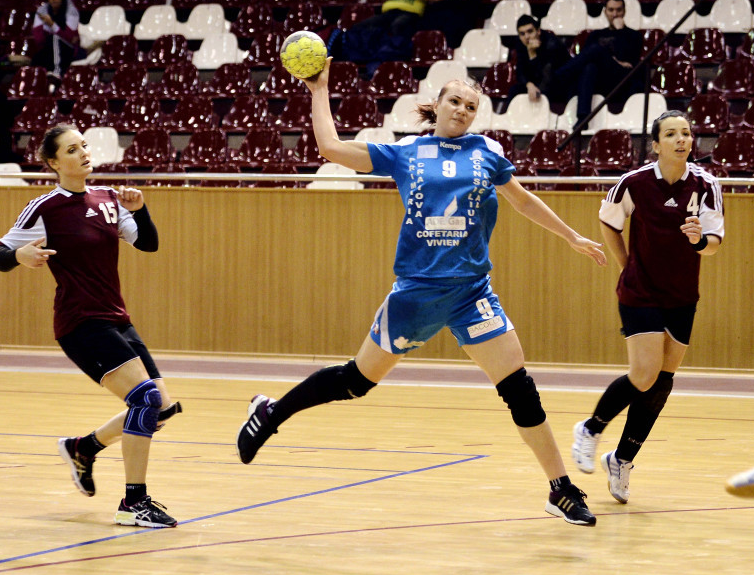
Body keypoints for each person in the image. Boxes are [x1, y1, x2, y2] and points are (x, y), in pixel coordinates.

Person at [236, 58, 608, 527]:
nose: (462, 110)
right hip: (415, 295)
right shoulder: (405, 153)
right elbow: (330, 148)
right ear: (437, 106)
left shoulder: (486, 153)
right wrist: (319, 88)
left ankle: (561, 489)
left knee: (520, 390)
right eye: (455, 101)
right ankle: (270, 413)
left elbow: (523, 200)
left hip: (472, 293)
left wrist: (570, 236)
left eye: (471, 106)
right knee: (356, 382)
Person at [0, 124, 182, 528]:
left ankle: (83, 448)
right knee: (145, 400)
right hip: (80, 322)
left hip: (117, 317)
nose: (83, 153)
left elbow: (148, 244)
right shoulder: (45, 208)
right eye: (71, 149)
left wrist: (141, 209)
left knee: (161, 409)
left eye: (83, 146)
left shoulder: (109, 199)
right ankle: (135, 502)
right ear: (53, 162)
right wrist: (20, 256)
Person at [571, 110, 724, 504]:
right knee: (643, 373)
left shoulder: (706, 184)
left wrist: (697, 242)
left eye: (686, 133)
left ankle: (621, 459)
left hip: (682, 295)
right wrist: (626, 265)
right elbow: (609, 222)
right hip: (640, 292)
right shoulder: (634, 183)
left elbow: (714, 241)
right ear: (656, 144)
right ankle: (591, 427)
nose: (681, 139)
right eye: (671, 134)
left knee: (662, 381)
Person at [554, 0, 643, 128]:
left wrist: (620, 32)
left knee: (596, 49)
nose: (615, 14)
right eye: (611, 10)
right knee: (589, 67)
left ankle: (560, 75)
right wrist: (613, 59)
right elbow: (586, 59)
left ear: (624, 11)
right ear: (605, 11)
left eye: (618, 10)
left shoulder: (633, 35)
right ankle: (583, 119)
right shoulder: (595, 35)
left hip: (621, 79)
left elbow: (631, 61)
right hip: (599, 79)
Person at [326, 0, 425, 79]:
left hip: (411, 13)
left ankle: (377, 69)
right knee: (358, 28)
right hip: (388, 13)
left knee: (398, 27)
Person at [506, 14, 572, 109]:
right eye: (522, 34)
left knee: (543, 91)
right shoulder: (521, 44)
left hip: (558, 84)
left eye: (530, 31)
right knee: (514, 90)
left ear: (538, 31)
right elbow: (520, 71)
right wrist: (529, 84)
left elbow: (546, 77)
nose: (527, 37)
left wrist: (532, 54)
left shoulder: (552, 44)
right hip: (538, 82)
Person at [31, 0, 80, 84]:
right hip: (47, 49)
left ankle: (56, 73)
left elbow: (70, 37)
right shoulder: (42, 11)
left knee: (55, 38)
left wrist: (52, 25)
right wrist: (55, 31)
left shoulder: (71, 11)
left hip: (68, 51)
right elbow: (39, 40)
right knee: (36, 57)